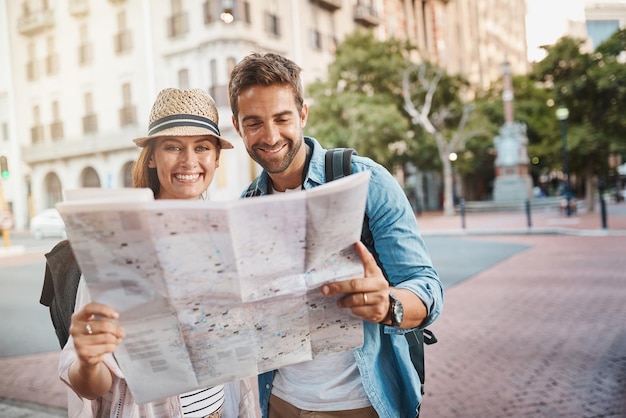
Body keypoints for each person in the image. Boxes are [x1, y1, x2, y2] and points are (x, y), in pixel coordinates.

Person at [228, 53, 444, 418]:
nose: (270, 136)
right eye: (254, 123)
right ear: (237, 126)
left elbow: (426, 286)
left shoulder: (366, 181)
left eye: (282, 118)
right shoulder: (245, 205)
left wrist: (387, 304)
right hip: (279, 402)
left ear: (303, 114)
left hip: (363, 404)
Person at [58, 88, 257, 418]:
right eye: (173, 147)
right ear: (151, 156)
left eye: (202, 147)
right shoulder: (117, 246)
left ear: (216, 158)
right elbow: (90, 386)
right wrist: (89, 359)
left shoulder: (226, 239)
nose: (189, 161)